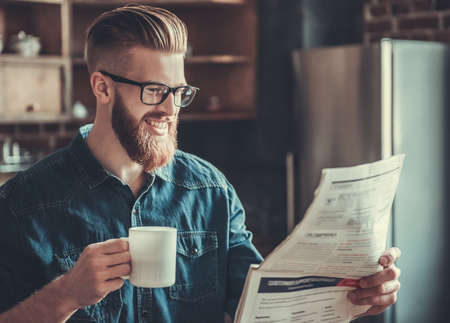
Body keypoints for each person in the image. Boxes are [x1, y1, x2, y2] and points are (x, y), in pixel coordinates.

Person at [0, 5, 401, 323]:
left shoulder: (211, 190)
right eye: (155, 91)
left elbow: (263, 308)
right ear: (102, 87)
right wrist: (65, 294)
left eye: (178, 91)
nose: (170, 109)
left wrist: (354, 294)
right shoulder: (23, 203)